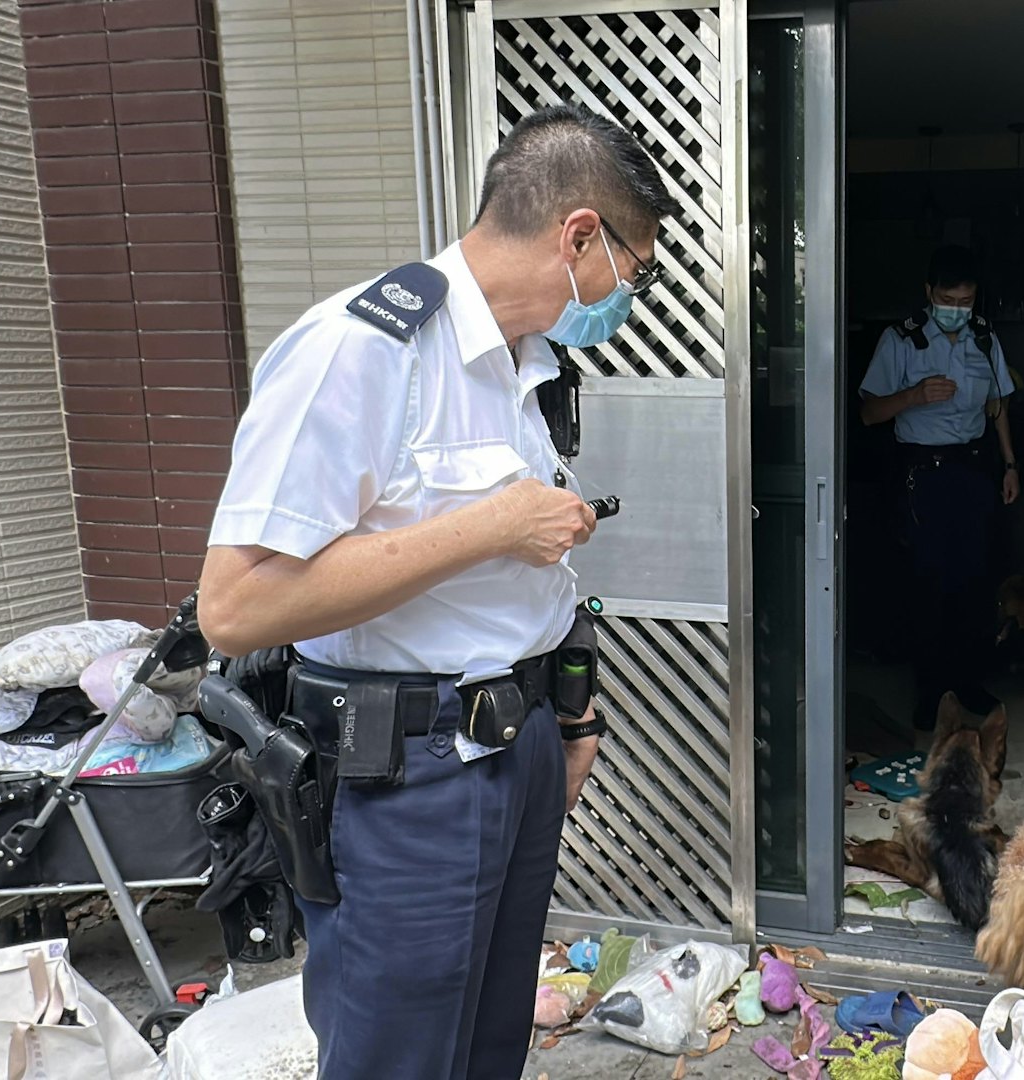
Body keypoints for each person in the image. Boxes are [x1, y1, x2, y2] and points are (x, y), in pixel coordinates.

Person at [196, 104, 681, 1080]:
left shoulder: (528, 365)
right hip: (408, 776)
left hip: (521, 746)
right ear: (579, 234)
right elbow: (235, 606)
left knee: (489, 1046)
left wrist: (573, 715)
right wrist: (494, 524)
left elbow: (530, 583)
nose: (629, 292)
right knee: (401, 1058)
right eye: (636, 269)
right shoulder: (366, 347)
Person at [859, 245, 1020, 727]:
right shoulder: (901, 340)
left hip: (972, 470)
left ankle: (968, 683)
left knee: (973, 582)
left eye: (966, 301)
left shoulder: (985, 338)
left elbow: (998, 405)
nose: (957, 309)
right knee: (928, 585)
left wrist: (1011, 464)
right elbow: (868, 413)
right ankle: (930, 692)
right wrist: (913, 395)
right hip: (922, 475)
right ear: (929, 293)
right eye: (948, 298)